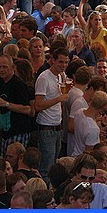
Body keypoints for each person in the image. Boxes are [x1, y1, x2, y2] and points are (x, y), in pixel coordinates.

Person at [33, 47, 69, 179]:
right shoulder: (44, 78)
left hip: (57, 126)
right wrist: (58, 99)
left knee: (53, 165)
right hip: (46, 128)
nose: (63, 65)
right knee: (46, 168)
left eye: (66, 62)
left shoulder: (60, 76)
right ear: (53, 60)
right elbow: (37, 105)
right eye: (61, 62)